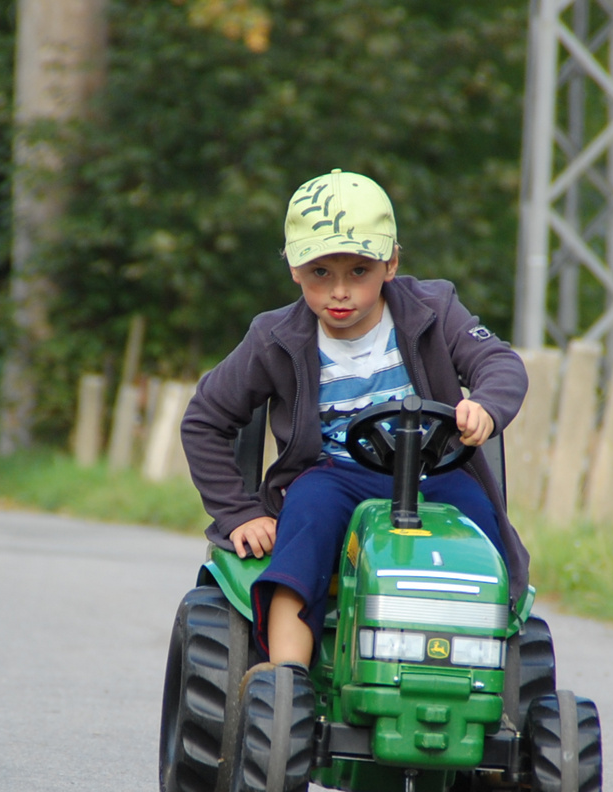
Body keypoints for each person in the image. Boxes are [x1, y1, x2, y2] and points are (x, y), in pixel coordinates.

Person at [181, 169, 529, 670]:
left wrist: (487, 407)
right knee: (302, 526)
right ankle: (286, 677)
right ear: (295, 269)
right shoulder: (274, 339)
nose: (339, 291)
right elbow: (204, 420)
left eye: (358, 271)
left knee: (481, 540)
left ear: (390, 264)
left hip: (436, 474)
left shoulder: (435, 309)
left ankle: (483, 668)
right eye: (321, 272)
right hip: (335, 473)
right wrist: (240, 513)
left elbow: (499, 363)